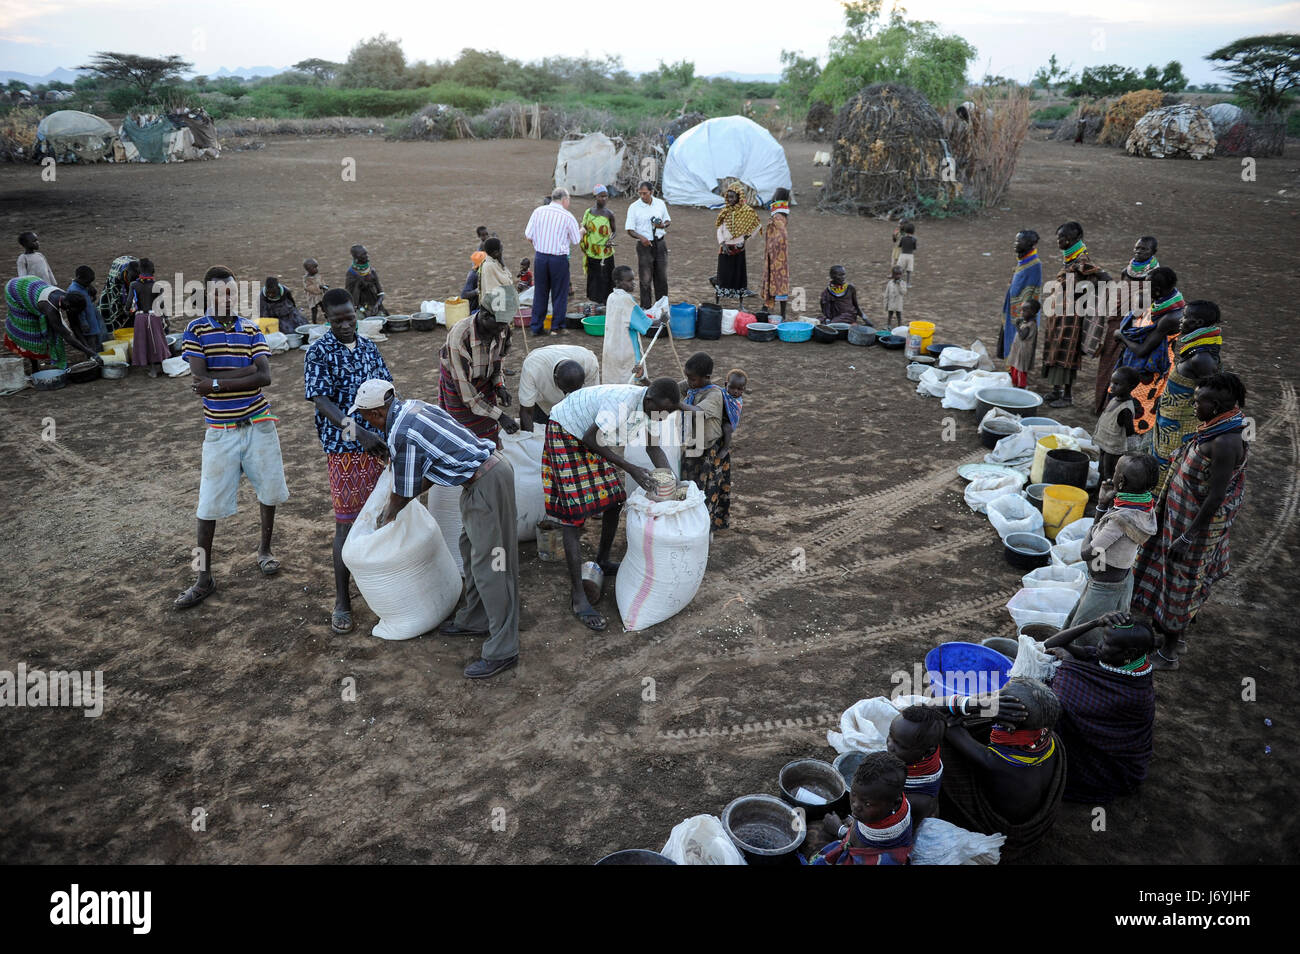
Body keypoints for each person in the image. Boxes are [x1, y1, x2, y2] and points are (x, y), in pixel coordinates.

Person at [352, 380, 520, 680]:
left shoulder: (401, 432)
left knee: (492, 566)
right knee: (470, 550)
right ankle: (476, 618)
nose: (363, 422)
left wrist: (387, 520)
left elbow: (403, 492)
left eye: (364, 416)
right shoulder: (413, 408)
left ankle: (503, 649)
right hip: (481, 481)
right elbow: (427, 472)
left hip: (486, 483)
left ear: (376, 412)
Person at [175, 265, 290, 610]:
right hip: (221, 431)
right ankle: (203, 577)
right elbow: (198, 380)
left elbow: (265, 378)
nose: (226, 298)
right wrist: (243, 374)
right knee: (207, 505)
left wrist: (218, 381)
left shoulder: (252, 328)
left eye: (230, 292)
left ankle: (264, 550)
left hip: (258, 424)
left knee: (269, 492)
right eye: (218, 293)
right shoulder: (196, 330)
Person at [542, 378, 683, 631]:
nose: (662, 417)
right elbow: (590, 439)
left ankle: (603, 561)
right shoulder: (621, 403)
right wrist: (631, 468)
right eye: (660, 411)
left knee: (615, 499)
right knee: (573, 516)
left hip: (589, 436)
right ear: (649, 400)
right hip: (565, 430)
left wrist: (674, 482)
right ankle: (579, 596)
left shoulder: (653, 408)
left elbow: (654, 449)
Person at [1132, 371, 1248, 671]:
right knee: (1170, 577)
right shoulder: (1216, 427)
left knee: (1180, 584)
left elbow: (1216, 497)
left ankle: (1170, 651)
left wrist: (1187, 537)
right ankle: (1170, 634)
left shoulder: (1225, 442)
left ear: (1219, 404)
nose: (1194, 407)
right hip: (1179, 519)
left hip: (1193, 528)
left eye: (1199, 402)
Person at [303, 287, 393, 635]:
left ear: (357, 313)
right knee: (346, 522)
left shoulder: (369, 347)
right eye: (337, 320)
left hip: (378, 444)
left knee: (384, 515)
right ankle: (342, 599)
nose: (345, 325)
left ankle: (379, 584)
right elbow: (322, 402)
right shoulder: (319, 352)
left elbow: (387, 389)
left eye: (350, 317)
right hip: (345, 450)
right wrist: (359, 433)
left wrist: (385, 430)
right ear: (326, 318)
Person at [938, 678, 1067, 861]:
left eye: (1000, 701)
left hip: (1000, 828)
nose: (995, 700)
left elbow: (936, 712)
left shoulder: (995, 762)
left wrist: (977, 704)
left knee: (936, 737)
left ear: (1009, 724)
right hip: (1024, 814)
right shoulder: (1050, 740)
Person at [1044, 612, 1157, 804]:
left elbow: (1064, 699)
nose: (1098, 645)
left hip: (1111, 764)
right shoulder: (1117, 660)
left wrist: (1069, 663)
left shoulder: (1135, 693)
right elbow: (1050, 644)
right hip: (1093, 735)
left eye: (1105, 643)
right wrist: (1095, 622)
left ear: (1128, 654)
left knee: (1051, 708)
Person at [1063, 453, 1159, 646]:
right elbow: (1102, 550)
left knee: (1082, 636)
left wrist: (1090, 531)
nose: (1112, 474)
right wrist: (1103, 504)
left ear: (1121, 481)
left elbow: (1088, 553)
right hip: (1117, 581)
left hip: (1104, 589)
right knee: (1090, 629)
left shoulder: (1119, 520)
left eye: (1116, 471)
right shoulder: (1143, 508)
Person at [1153, 301, 1223, 494]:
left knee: (1170, 471)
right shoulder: (1196, 349)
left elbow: (1211, 395)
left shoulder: (1202, 359)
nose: (1181, 321)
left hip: (1181, 428)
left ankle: (1162, 508)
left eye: (1185, 317)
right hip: (1171, 422)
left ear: (1197, 322)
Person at [439, 284, 519, 448]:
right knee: (463, 441)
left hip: (483, 384)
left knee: (489, 438)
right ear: (484, 315)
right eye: (498, 324)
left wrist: (499, 386)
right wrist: (501, 416)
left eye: (505, 324)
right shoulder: (460, 337)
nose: (501, 330)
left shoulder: (502, 329)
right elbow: (466, 393)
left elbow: (498, 361)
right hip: (459, 387)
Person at [1043, 221, 1110, 408]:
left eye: (1064, 238)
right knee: (1056, 349)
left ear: (1077, 239)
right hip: (1060, 314)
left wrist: (1084, 292)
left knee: (1067, 353)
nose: (1060, 241)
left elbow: (1104, 278)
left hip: (1072, 317)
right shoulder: (1071, 259)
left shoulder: (1082, 260)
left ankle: (1067, 396)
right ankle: (1056, 391)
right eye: (1059, 237)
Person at [1116, 265, 1183, 446]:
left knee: (1138, 407)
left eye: (1147, 287)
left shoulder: (1170, 317)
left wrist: (1121, 336)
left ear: (1158, 290)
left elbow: (1142, 350)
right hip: (1149, 364)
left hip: (1149, 369)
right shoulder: (1168, 303)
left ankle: (1131, 444)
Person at [810, 752, 915, 865]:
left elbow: (859, 843)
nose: (855, 805)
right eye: (854, 794)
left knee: (810, 838)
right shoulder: (888, 810)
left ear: (894, 804)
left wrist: (840, 830)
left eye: (867, 803)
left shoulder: (885, 860)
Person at [1093, 236, 1158, 414]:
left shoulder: (1155, 276)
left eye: (1144, 249)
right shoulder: (1126, 271)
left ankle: (1116, 408)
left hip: (1137, 327)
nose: (1138, 251)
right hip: (1117, 323)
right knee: (1107, 363)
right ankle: (1101, 405)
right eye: (1137, 248)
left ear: (1153, 252)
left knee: (1126, 366)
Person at [679, 352, 739, 531]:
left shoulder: (714, 394)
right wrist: (644, 379)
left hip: (710, 449)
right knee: (689, 484)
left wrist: (676, 403)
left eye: (693, 379)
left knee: (708, 489)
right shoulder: (692, 385)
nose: (689, 382)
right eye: (687, 378)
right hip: (693, 445)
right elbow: (671, 390)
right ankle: (692, 523)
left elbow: (696, 411)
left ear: (706, 377)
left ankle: (706, 528)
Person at [4, 275, 100, 372]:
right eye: (75, 311)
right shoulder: (50, 309)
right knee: (31, 332)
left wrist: (87, 349)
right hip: (15, 290)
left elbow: (73, 326)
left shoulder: (68, 297)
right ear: (67, 306)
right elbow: (67, 336)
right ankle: (35, 369)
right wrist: (92, 353)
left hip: (32, 282)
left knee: (52, 327)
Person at [525, 188, 582, 337]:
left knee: (540, 292)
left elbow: (528, 235)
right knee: (559, 293)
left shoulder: (538, 212)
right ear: (564, 200)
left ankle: (536, 326)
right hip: (558, 259)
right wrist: (582, 231)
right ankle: (557, 326)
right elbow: (576, 240)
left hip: (541, 257)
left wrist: (542, 243)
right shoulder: (567, 216)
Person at [601, 265, 662, 385]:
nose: (633, 283)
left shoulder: (611, 297)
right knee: (632, 382)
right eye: (629, 281)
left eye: (633, 280)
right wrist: (661, 320)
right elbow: (645, 323)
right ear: (618, 282)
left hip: (611, 348)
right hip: (626, 349)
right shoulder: (627, 300)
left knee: (615, 382)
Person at [517, 344, 600, 432]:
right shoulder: (533, 367)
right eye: (565, 391)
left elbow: (590, 405)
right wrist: (529, 441)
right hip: (543, 403)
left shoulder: (589, 363)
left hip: (577, 404)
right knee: (543, 431)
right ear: (555, 378)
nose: (567, 395)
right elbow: (526, 411)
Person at [886, 705, 945, 821]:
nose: (889, 744)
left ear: (927, 751)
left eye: (900, 745)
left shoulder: (918, 800)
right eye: (890, 735)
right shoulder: (924, 753)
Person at [625, 180, 670, 309]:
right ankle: (646, 308)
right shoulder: (634, 207)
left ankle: (662, 308)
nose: (642, 196)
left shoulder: (660, 204)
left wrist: (662, 225)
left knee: (662, 278)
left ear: (651, 192)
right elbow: (629, 229)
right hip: (644, 246)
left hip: (660, 243)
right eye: (640, 193)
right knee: (645, 280)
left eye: (645, 193)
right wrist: (641, 237)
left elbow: (668, 220)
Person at [711, 185, 760, 302]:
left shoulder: (746, 212)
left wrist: (745, 237)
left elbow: (757, 225)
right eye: (728, 197)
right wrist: (722, 243)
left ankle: (740, 302)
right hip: (725, 248)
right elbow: (719, 229)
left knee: (739, 274)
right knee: (723, 273)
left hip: (739, 248)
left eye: (733, 197)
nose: (730, 200)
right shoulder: (725, 212)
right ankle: (718, 300)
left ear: (739, 197)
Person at [1000, 229, 1041, 361]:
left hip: (1022, 312)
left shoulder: (1034, 265)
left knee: (1019, 340)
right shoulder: (1023, 261)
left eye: (1019, 241)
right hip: (1014, 308)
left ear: (1030, 244)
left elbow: (1033, 292)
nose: (1015, 243)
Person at [1095, 366, 1141, 482]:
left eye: (1117, 384)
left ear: (1131, 387)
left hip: (1113, 449)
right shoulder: (1115, 399)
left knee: (1108, 473)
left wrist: (1132, 453)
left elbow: (1130, 432)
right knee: (1101, 469)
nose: (1112, 386)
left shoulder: (1125, 410)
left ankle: (1106, 495)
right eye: (1112, 382)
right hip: (1105, 444)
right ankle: (1098, 491)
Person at [127, 257, 170, 377]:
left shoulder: (133, 285)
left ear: (139, 271)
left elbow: (128, 304)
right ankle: (161, 366)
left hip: (140, 317)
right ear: (153, 271)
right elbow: (161, 305)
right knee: (157, 341)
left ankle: (152, 370)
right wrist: (166, 319)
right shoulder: (158, 286)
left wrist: (128, 311)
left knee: (144, 342)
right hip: (155, 316)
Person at [580, 185, 617, 305]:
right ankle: (594, 300)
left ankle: (606, 301)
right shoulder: (589, 212)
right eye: (601, 196)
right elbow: (584, 228)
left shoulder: (609, 214)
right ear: (595, 197)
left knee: (606, 276)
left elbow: (614, 231)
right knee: (594, 277)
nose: (604, 199)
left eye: (606, 196)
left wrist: (610, 240)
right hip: (592, 251)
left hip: (605, 252)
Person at [760, 187, 791, 318]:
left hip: (775, 255)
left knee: (774, 279)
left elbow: (781, 235)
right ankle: (780, 312)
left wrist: (772, 248)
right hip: (780, 256)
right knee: (781, 282)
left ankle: (768, 307)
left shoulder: (777, 217)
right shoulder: (782, 215)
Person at [67, 265, 106, 354]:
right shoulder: (74, 291)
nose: (89, 284)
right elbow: (79, 311)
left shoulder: (83, 286)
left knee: (96, 341)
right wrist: (84, 322)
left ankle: (96, 357)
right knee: (91, 344)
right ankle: (93, 361)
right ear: (79, 278)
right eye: (87, 282)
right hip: (86, 324)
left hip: (91, 318)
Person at [1007, 298, 1040, 389]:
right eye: (1022, 310)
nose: (1022, 313)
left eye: (1025, 311)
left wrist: (1017, 325)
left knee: (1020, 369)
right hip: (1018, 350)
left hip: (1023, 352)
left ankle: (1021, 386)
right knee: (1014, 366)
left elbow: (1022, 336)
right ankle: (1015, 383)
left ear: (1033, 312)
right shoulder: (1027, 322)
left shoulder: (1031, 324)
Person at [98, 255, 138, 331]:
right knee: (115, 303)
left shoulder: (141, 273)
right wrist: (126, 309)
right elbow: (118, 298)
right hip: (119, 274)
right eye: (131, 280)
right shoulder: (116, 279)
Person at [345, 244, 385, 316]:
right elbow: (349, 296)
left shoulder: (372, 271)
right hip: (358, 308)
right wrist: (362, 310)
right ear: (356, 258)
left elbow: (381, 294)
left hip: (374, 305)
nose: (367, 256)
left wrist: (377, 306)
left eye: (366, 253)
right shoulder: (351, 274)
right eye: (363, 254)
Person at [478, 238, 514, 302]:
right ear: (496, 253)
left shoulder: (491, 261)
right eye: (501, 249)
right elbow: (508, 282)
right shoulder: (490, 265)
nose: (502, 252)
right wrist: (502, 263)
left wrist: (501, 262)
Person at [896, 222, 917, 287]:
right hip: (910, 256)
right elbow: (914, 248)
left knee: (900, 269)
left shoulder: (903, 238)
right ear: (913, 231)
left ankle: (898, 281)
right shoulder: (914, 239)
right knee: (909, 271)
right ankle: (908, 284)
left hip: (902, 255)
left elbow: (899, 245)